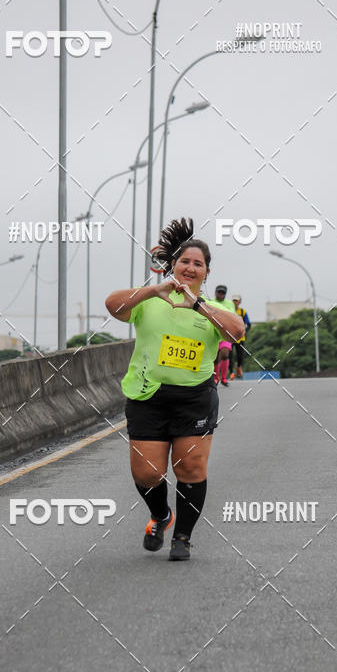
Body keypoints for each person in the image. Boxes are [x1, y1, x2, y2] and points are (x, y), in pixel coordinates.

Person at [105, 218, 244, 561]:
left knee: (191, 468)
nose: (191, 267)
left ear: (206, 273)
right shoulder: (150, 301)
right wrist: (154, 290)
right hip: (147, 397)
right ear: (172, 266)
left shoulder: (214, 309)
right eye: (185, 261)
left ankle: (182, 536)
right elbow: (113, 305)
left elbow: (236, 332)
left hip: (194, 398)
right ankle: (161, 515)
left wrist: (197, 305)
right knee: (147, 472)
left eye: (198, 263)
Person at [211, 284, 235, 387]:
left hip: (225, 332)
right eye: (219, 292)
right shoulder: (211, 302)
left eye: (222, 293)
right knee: (216, 357)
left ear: (225, 294)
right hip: (213, 332)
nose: (220, 294)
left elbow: (230, 316)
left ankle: (224, 378)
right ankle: (216, 378)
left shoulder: (230, 304)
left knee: (225, 354)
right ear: (216, 292)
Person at [230, 294, 251, 379]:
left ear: (240, 302)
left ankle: (239, 367)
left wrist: (244, 332)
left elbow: (248, 324)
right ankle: (231, 372)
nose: (235, 302)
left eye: (236, 300)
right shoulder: (229, 310)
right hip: (230, 337)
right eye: (234, 300)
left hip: (240, 337)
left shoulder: (242, 312)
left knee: (239, 355)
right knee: (229, 356)